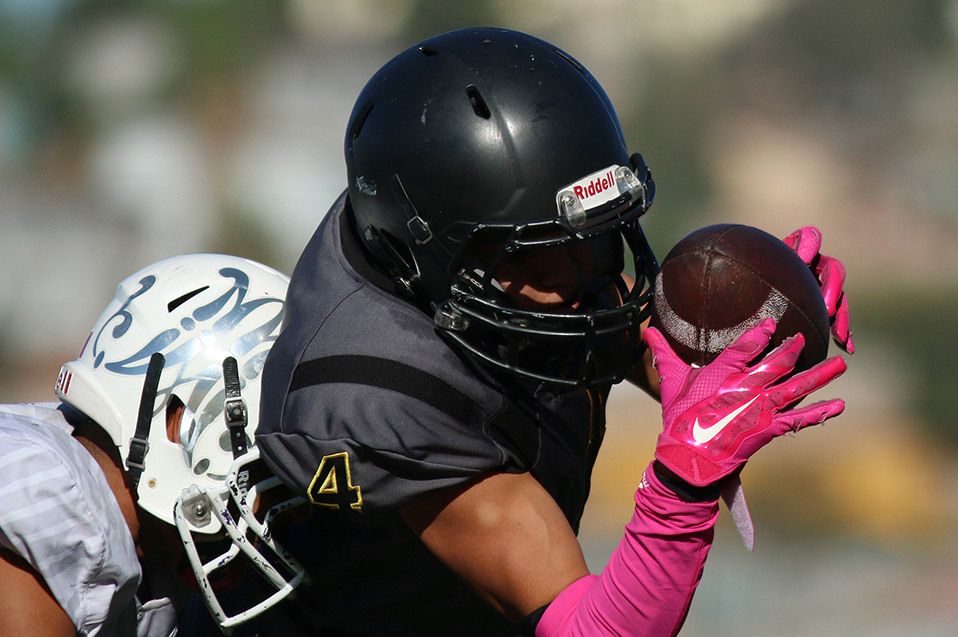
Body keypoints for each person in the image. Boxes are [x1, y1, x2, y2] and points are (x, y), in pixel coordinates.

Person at [255, 27, 854, 636]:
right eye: (534, 254)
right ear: (423, 255)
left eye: (591, 236)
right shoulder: (382, 392)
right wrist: (679, 491)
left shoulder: (467, 234)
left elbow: (688, 373)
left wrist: (758, 316)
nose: (576, 275)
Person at [0, 254, 307, 636]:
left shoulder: (147, 560)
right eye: (269, 470)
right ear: (180, 423)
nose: (292, 513)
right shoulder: (56, 507)